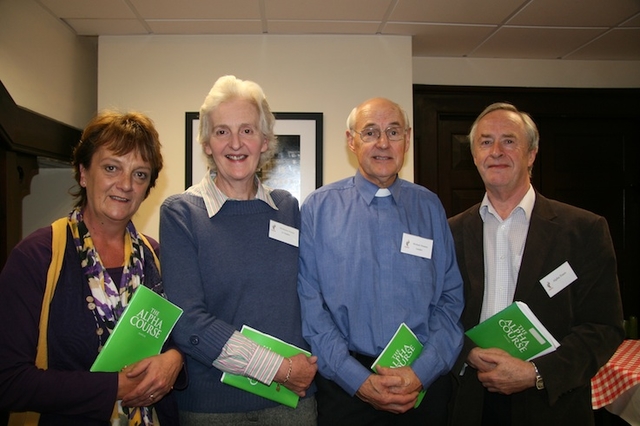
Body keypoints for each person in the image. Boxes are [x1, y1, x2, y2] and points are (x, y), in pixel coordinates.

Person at [0, 111, 185, 425]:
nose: (125, 184)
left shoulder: (158, 257)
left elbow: (183, 338)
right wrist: (113, 387)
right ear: (83, 173)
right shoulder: (37, 257)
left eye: (139, 174)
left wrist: (175, 360)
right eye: (112, 167)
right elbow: (8, 380)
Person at [447, 102, 625, 425]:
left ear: (531, 154)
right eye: (486, 142)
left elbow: (604, 327)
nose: (496, 151)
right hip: (469, 402)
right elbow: (438, 316)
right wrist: (467, 353)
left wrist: (535, 372)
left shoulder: (584, 230)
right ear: (474, 156)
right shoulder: (450, 232)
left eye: (509, 141)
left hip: (551, 405)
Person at [160, 75, 317, 425]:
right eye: (221, 132)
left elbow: (311, 294)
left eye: (247, 130)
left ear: (264, 141)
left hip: (291, 401)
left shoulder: (287, 207)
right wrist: (277, 368)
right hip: (213, 407)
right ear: (206, 144)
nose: (235, 143)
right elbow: (187, 320)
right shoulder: (182, 213)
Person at [298, 97, 465, 425]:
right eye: (371, 132)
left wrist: (421, 373)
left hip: (423, 388)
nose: (383, 143)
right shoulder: (319, 209)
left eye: (393, 132)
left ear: (407, 138)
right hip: (345, 389)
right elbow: (311, 309)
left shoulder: (430, 207)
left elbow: (451, 301)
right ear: (351, 141)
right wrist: (358, 381)